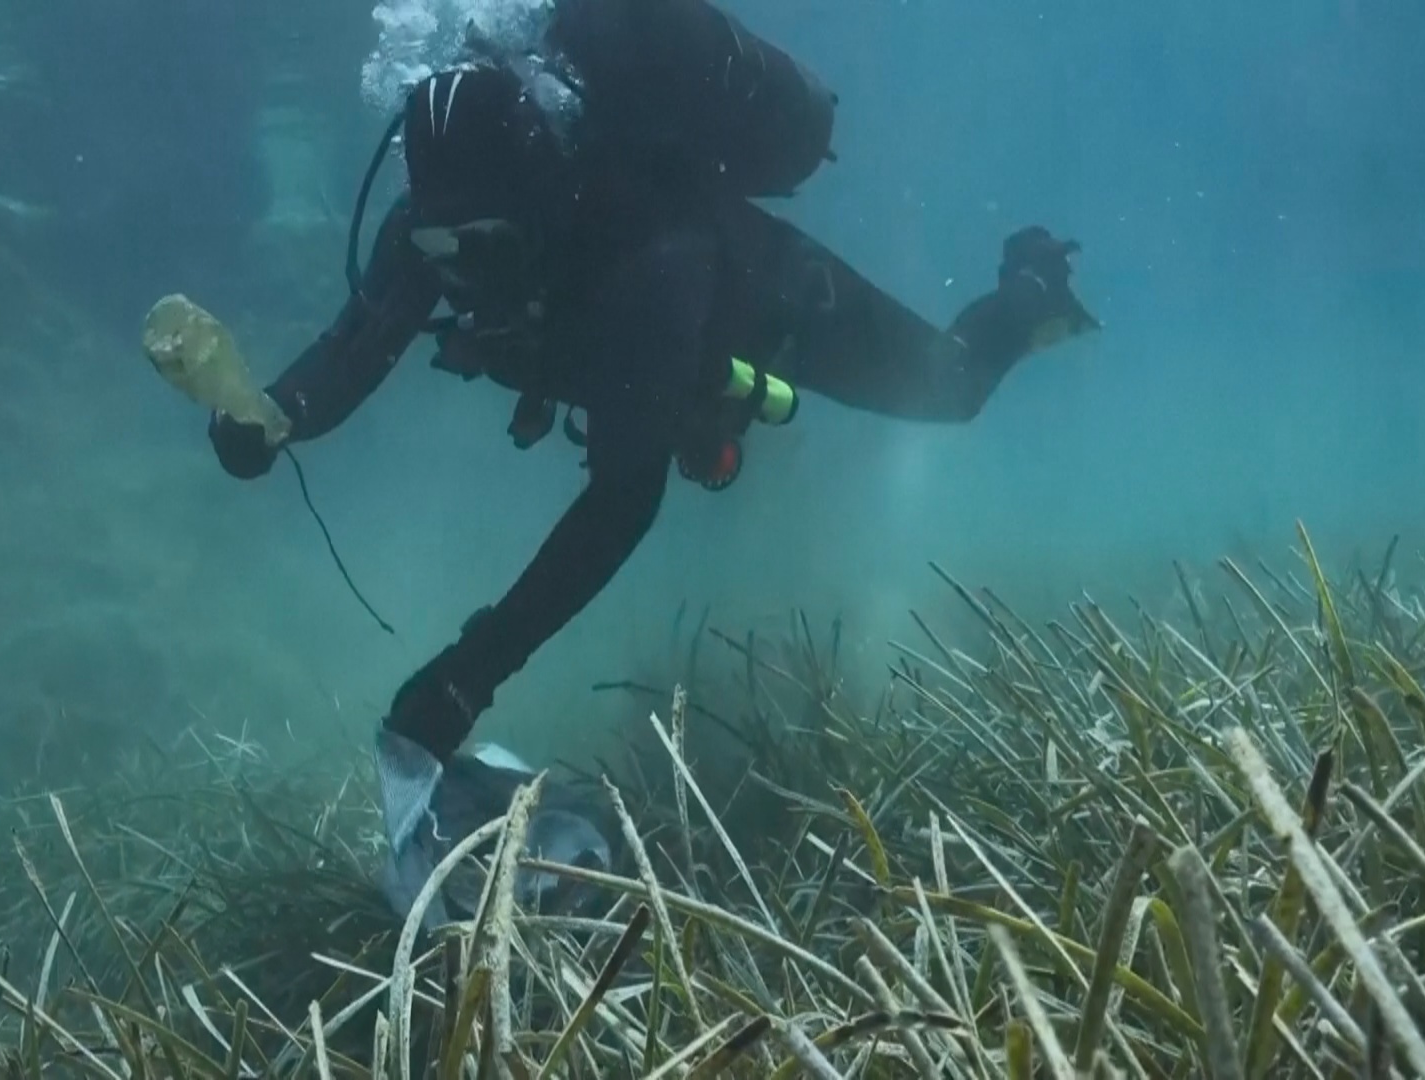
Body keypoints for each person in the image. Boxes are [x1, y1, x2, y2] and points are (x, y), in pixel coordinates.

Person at [206, 0, 1099, 923]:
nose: (459, 271)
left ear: (536, 198)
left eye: (483, 247)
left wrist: (465, 679)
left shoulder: (646, 252)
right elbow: (358, 343)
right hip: (633, 361)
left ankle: (1031, 285)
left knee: (949, 389)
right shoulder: (441, 219)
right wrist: (271, 416)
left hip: (763, 302)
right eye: (438, 248)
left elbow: (623, 503)